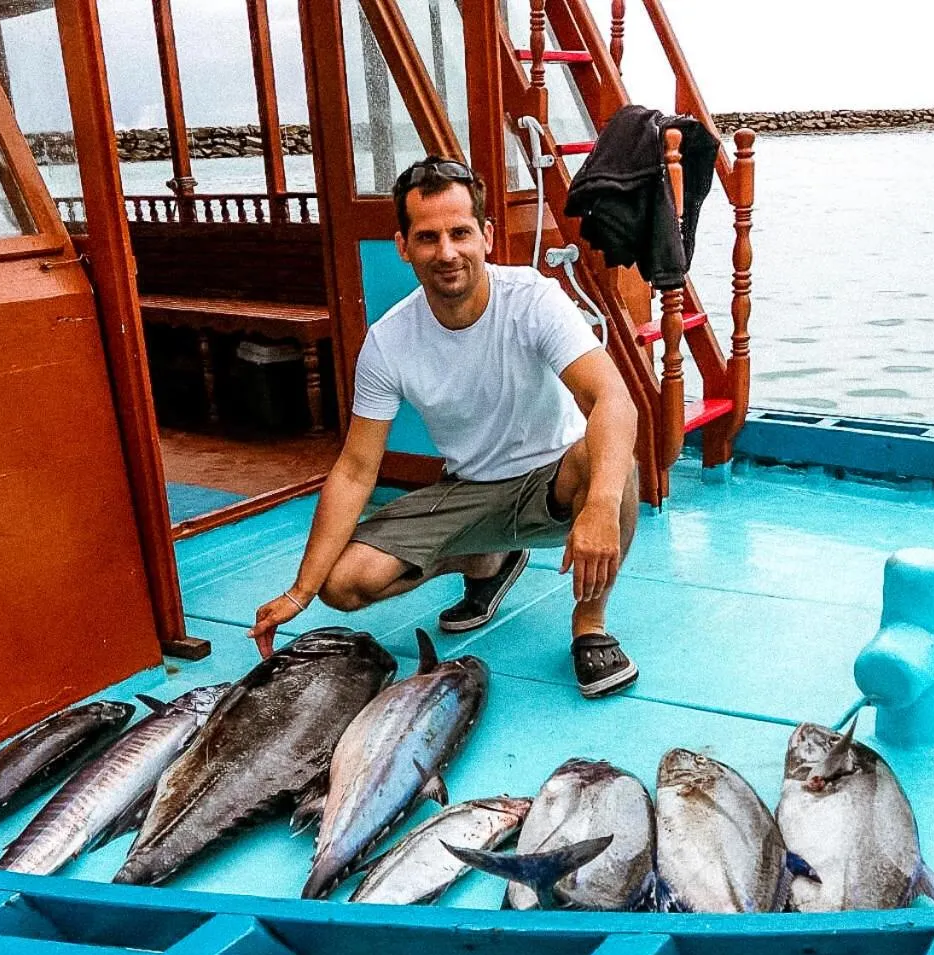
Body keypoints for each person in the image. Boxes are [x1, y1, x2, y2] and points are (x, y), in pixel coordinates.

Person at [248, 155, 640, 697]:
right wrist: (300, 591)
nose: (447, 252)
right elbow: (356, 469)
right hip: (468, 489)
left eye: (460, 233)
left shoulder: (533, 299)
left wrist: (599, 505)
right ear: (403, 246)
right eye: (428, 237)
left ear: (487, 236)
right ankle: (487, 560)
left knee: (613, 461)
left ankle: (589, 625)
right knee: (343, 584)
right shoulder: (389, 341)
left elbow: (612, 398)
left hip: (555, 479)